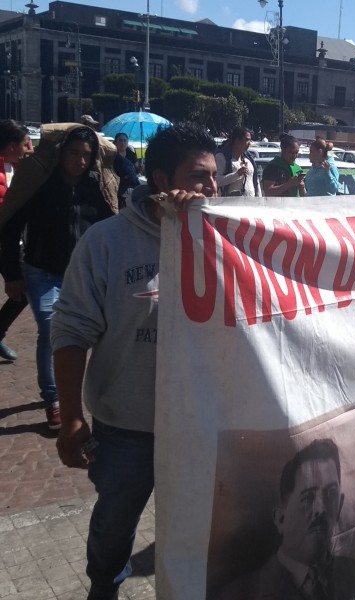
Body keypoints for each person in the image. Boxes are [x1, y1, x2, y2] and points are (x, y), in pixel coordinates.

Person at [52, 121, 217, 600]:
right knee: (115, 521)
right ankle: (104, 587)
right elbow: (71, 330)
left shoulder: (226, 237)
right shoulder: (106, 242)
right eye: (198, 176)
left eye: (214, 176)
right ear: (162, 180)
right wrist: (70, 419)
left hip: (200, 423)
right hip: (127, 426)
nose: (210, 187)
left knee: (197, 523)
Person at [0, 126, 116, 430]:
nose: (79, 160)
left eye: (86, 155)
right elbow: (10, 227)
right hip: (41, 271)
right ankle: (54, 400)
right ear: (61, 153)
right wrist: (12, 274)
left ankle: (78, 388)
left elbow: (117, 223)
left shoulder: (98, 189)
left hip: (84, 274)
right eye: (73, 153)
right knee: (52, 331)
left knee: (94, 332)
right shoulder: (39, 185)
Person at [228, 438, 355, 600]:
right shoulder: (241, 593)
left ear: (340, 506)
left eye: (330, 494)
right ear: (280, 518)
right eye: (308, 498)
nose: (320, 509)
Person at [0, 119, 33, 361]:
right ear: (11, 146)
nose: (28, 150)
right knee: (21, 287)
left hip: (7, 241)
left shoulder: (12, 168)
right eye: (25, 144)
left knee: (23, 289)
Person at [215, 127, 258, 197]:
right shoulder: (221, 157)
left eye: (250, 140)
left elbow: (256, 182)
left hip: (251, 204)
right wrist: (237, 174)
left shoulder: (249, 159)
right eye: (247, 140)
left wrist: (259, 199)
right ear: (237, 140)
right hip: (230, 205)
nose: (249, 143)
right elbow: (217, 181)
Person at [112, 133, 140, 208]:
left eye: (125, 140)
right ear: (115, 142)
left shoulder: (131, 154)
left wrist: (139, 168)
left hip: (130, 185)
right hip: (117, 185)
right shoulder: (112, 155)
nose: (123, 143)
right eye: (120, 140)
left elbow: (136, 170)